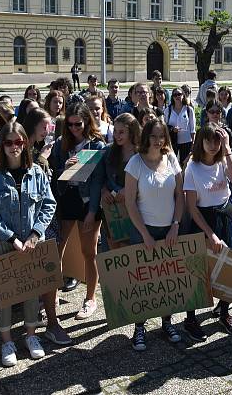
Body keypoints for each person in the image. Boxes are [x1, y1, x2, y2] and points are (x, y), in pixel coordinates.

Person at [0, 122, 55, 367]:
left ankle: (32, 336)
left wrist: (35, 234)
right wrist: (11, 238)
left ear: (25, 143)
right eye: (9, 142)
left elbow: (48, 204)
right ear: (1, 145)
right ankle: (6, 341)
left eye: (19, 142)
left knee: (33, 290)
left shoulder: (37, 172)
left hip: (32, 243)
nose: (14, 147)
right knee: (5, 294)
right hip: (5, 244)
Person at [123, 118, 185, 350]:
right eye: (154, 136)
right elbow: (129, 203)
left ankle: (167, 322)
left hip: (168, 228)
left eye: (162, 136)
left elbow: (179, 194)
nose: (158, 140)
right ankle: (139, 327)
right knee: (143, 281)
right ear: (146, 137)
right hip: (143, 230)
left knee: (167, 279)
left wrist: (176, 224)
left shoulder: (171, 159)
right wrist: (145, 234)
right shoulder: (135, 163)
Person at [183, 123, 232, 339]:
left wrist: (227, 148)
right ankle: (191, 318)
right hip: (203, 221)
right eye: (209, 140)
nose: (213, 144)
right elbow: (192, 208)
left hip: (226, 216)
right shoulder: (192, 167)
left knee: (228, 267)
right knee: (199, 271)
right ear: (201, 141)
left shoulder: (223, 160)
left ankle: (224, 311)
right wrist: (211, 235)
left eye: (217, 140)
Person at [49, 103, 106, 317]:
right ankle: (51, 297)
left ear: (87, 121)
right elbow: (55, 177)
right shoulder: (61, 144)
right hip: (66, 199)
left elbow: (97, 181)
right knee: (57, 250)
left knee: (88, 251)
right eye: (70, 124)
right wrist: (65, 167)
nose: (74, 128)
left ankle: (90, 299)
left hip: (87, 201)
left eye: (78, 124)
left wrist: (92, 212)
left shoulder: (97, 146)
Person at [21, 108, 71, 346]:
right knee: (44, 271)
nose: (50, 130)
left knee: (49, 270)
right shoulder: (26, 148)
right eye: (46, 126)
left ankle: (49, 318)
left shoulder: (41, 148)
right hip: (30, 220)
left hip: (46, 217)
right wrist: (42, 158)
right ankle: (47, 322)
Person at [98, 113, 141, 250]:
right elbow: (100, 177)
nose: (117, 135)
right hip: (113, 208)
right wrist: (103, 190)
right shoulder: (108, 151)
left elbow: (149, 179)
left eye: (122, 132)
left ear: (132, 131)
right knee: (114, 249)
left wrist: (129, 191)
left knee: (132, 248)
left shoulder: (141, 153)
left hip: (136, 208)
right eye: (115, 131)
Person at [165, 87, 195, 163]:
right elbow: (164, 126)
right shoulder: (168, 110)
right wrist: (172, 129)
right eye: (175, 95)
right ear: (172, 97)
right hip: (172, 141)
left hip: (186, 141)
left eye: (179, 94)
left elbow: (192, 128)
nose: (177, 96)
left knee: (185, 164)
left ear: (183, 96)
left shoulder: (189, 109)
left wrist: (193, 143)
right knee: (172, 163)